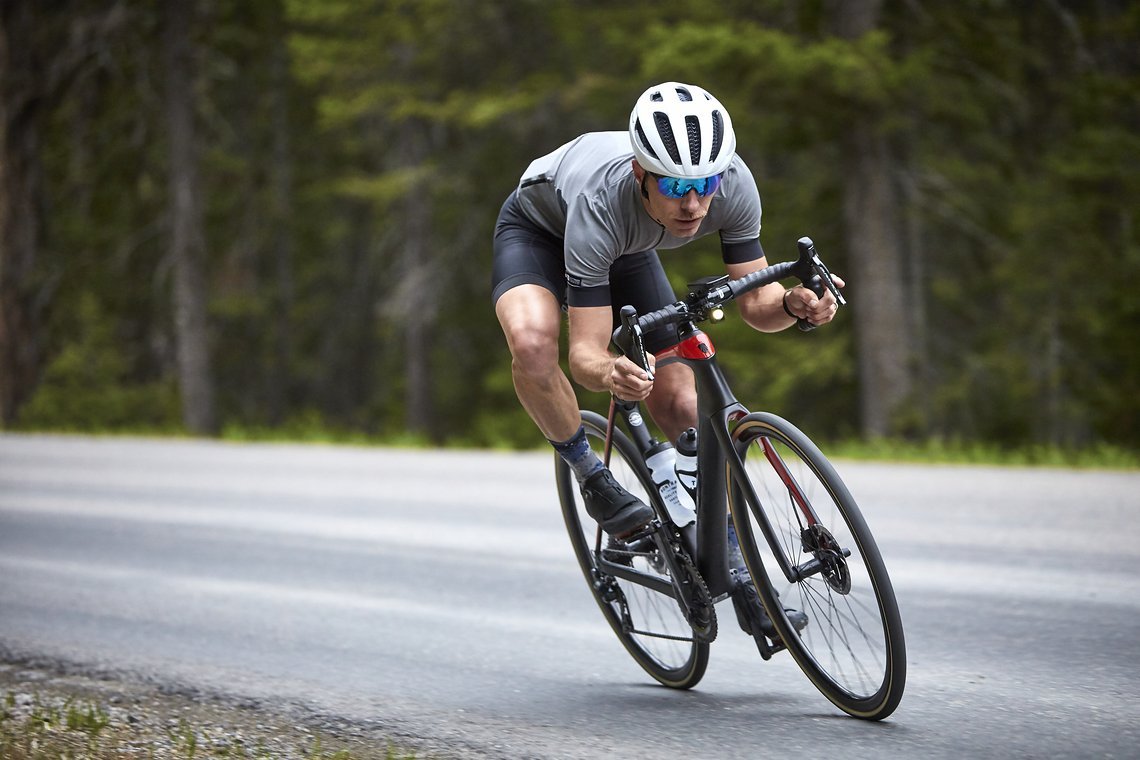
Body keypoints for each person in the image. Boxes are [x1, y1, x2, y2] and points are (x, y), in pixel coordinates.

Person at [493, 81, 842, 637]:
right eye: (677, 185)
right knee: (535, 346)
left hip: (627, 246)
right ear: (640, 173)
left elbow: (756, 304)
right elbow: (586, 354)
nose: (693, 205)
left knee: (681, 401)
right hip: (544, 232)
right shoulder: (601, 203)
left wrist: (797, 307)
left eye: (705, 184)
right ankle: (592, 476)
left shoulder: (734, 183)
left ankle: (734, 567)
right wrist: (613, 371)